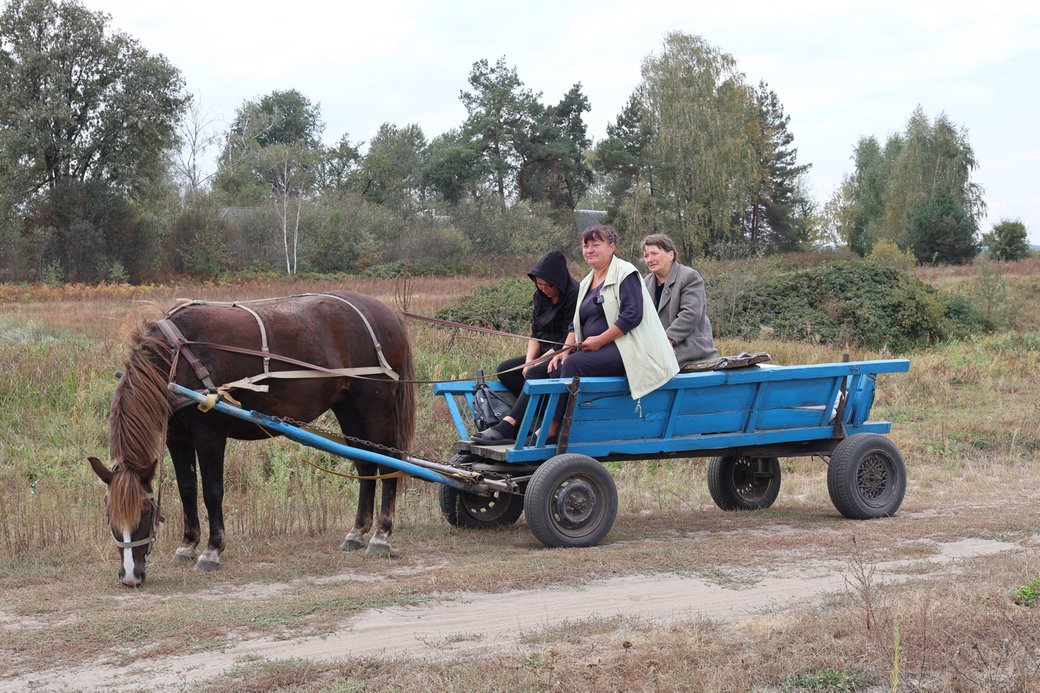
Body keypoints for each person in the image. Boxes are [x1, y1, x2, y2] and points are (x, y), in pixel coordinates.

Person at [541, 225, 679, 441]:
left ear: (612, 247)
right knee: (558, 364)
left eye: (596, 245)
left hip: (629, 348)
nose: (589, 250)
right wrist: (564, 350)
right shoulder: (587, 281)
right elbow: (574, 324)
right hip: (603, 348)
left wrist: (599, 341)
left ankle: (554, 427)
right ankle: (548, 423)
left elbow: (632, 314)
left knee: (573, 365)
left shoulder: (625, 272)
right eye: (586, 246)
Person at [472, 251, 578, 443]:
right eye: (540, 284)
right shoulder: (539, 297)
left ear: (559, 282)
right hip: (543, 351)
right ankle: (534, 415)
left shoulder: (574, 294)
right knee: (505, 370)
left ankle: (508, 425)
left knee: (534, 373)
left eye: (548, 285)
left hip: (564, 352)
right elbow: (535, 334)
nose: (544, 289)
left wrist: (536, 364)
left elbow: (569, 336)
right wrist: (529, 361)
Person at [641, 233, 719, 368]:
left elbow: (690, 314)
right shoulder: (646, 281)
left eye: (654, 254)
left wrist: (668, 339)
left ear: (670, 255)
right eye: (646, 256)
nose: (649, 259)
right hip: (659, 347)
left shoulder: (689, 277)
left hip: (689, 347)